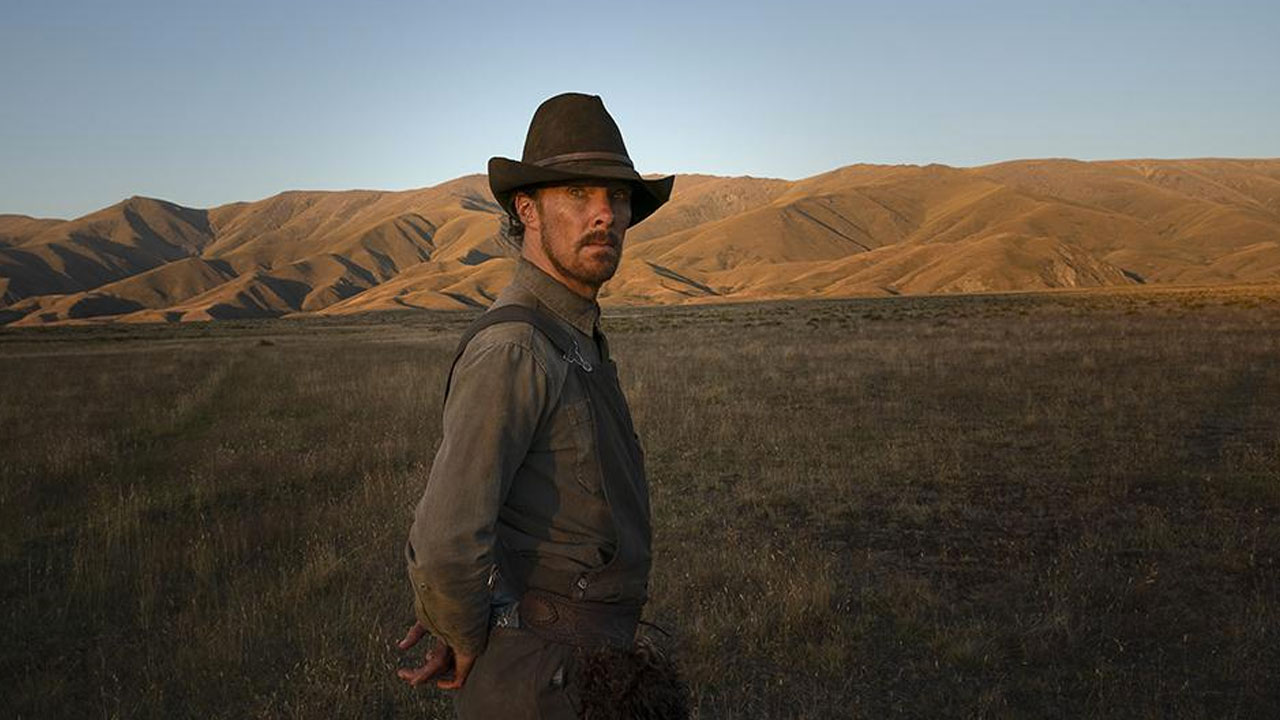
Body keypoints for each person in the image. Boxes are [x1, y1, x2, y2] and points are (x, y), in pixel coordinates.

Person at [396, 93, 686, 719]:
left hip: (584, 670)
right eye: (579, 195)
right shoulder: (516, 347)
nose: (605, 215)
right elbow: (446, 541)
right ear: (526, 209)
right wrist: (465, 635)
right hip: (537, 685)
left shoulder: (574, 332)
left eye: (618, 197)